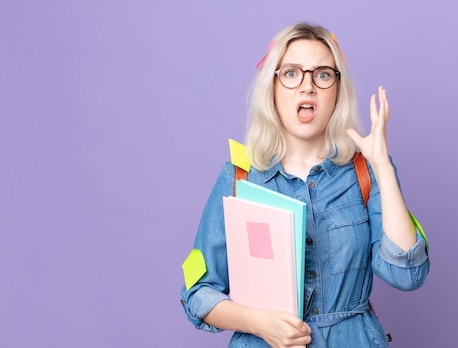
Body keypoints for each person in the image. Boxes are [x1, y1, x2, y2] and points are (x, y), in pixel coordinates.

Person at [180, 22, 430, 348]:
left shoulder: (366, 171)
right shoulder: (239, 178)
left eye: (322, 74)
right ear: (272, 87)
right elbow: (197, 293)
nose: (307, 86)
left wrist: (382, 164)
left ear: (337, 90)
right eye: (292, 73)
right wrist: (260, 323)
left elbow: (407, 275)